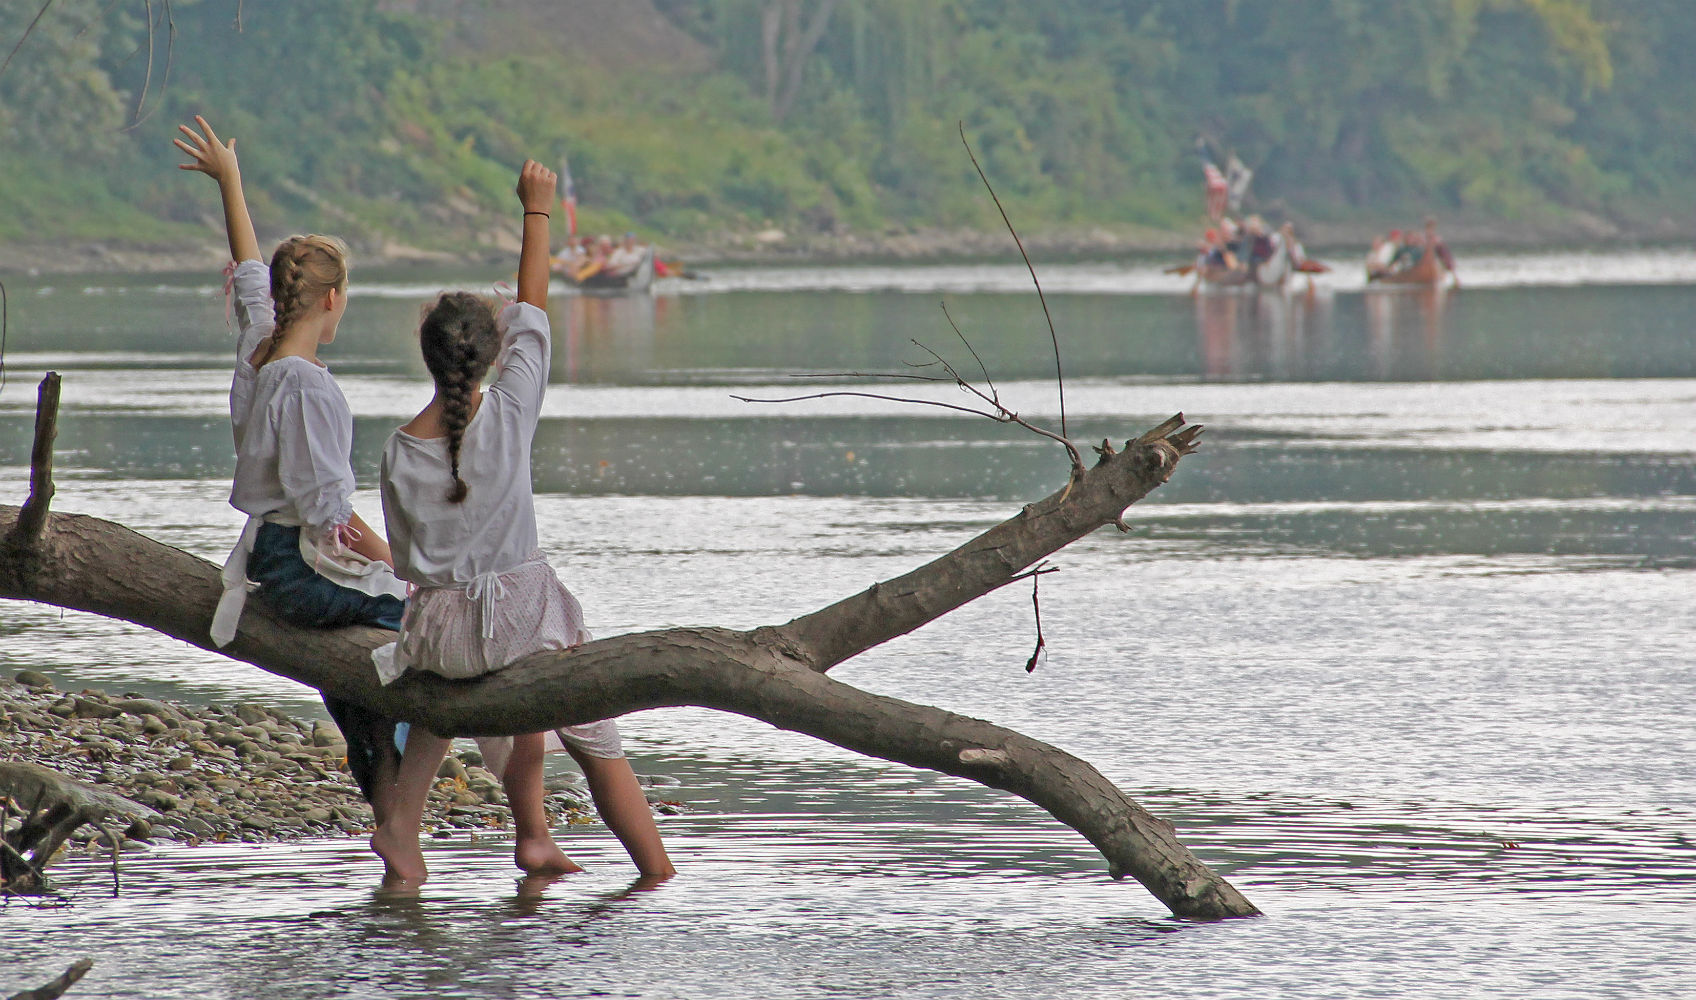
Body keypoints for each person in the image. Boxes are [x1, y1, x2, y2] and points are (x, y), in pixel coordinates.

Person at [370, 160, 675, 888]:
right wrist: (536, 211)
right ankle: (655, 874)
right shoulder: (508, 411)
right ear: (493, 357)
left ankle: (441, 837)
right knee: (592, 726)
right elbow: (535, 309)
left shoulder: (395, 451)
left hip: (438, 639)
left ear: (428, 356)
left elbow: (409, 566)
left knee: (471, 681)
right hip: (516, 629)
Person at [175, 116, 409, 823]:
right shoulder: (306, 385)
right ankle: (387, 755)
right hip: (290, 568)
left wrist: (231, 181)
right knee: (409, 607)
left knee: (377, 619)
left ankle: (372, 745)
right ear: (331, 300)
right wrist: (400, 562)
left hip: (270, 553)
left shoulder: (259, 346)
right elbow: (329, 515)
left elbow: (249, 273)